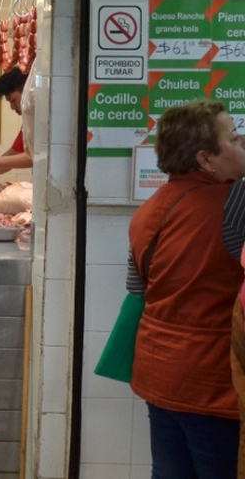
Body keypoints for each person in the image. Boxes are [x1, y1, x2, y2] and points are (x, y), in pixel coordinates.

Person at [129, 100, 245, 477]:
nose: (242, 141)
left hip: (159, 373)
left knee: (169, 473)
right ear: (206, 159)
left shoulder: (150, 209)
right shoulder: (233, 205)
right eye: (233, 137)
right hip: (212, 382)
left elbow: (138, 287)